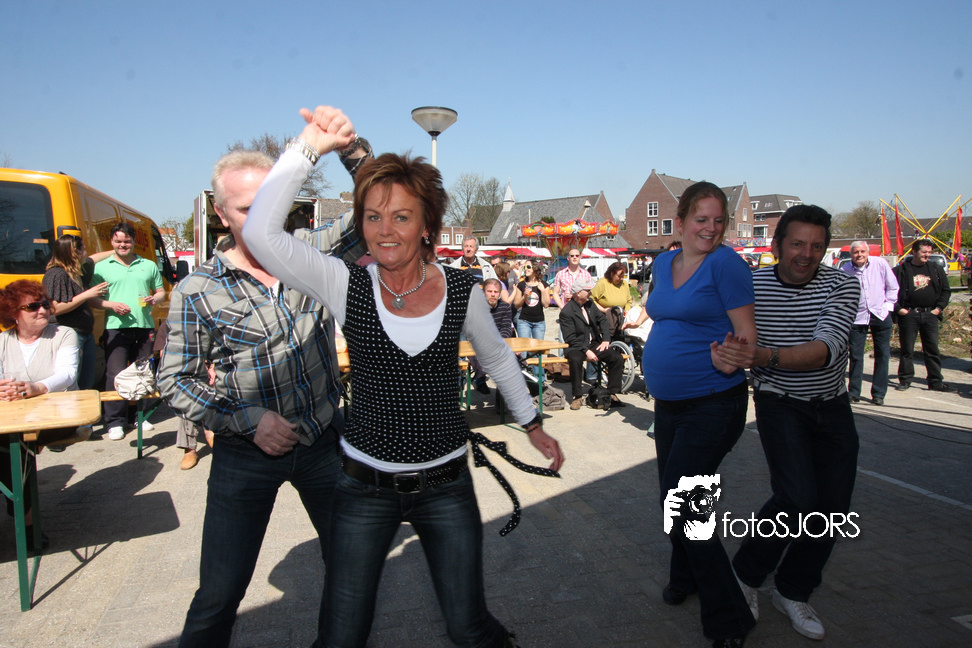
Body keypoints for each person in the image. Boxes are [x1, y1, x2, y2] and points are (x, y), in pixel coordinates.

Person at [242, 105, 564, 648]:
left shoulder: (462, 291)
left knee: (468, 627)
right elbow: (259, 232)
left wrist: (532, 424)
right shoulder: (345, 283)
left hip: (447, 486)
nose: (385, 231)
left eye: (401, 217)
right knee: (341, 637)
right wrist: (309, 146)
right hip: (363, 489)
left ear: (427, 225)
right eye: (372, 217)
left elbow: (497, 358)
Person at [157, 132, 373, 648]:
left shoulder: (311, 253)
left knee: (354, 570)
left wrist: (351, 151)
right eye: (245, 208)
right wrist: (248, 419)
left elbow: (379, 208)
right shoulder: (198, 290)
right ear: (220, 213)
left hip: (323, 442)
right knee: (219, 593)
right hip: (246, 456)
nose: (260, 218)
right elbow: (175, 379)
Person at [713, 204, 860, 642]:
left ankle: (793, 590)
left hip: (832, 406)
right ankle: (745, 574)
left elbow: (826, 348)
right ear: (777, 246)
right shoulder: (752, 286)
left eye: (816, 246)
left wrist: (764, 356)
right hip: (779, 402)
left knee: (832, 509)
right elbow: (721, 332)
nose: (806, 254)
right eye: (797, 244)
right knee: (797, 498)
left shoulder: (842, 284)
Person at [624, 182, 757, 648]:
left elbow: (747, 336)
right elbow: (664, 309)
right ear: (680, 223)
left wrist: (733, 357)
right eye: (702, 219)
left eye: (719, 220)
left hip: (714, 402)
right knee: (677, 497)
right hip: (669, 405)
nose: (711, 228)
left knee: (681, 504)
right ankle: (685, 576)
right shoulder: (664, 263)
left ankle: (730, 618)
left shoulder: (727, 265)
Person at [0, 280, 86, 548]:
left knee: (15, 446)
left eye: (45, 304)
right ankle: (21, 513)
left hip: (59, 416)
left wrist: (34, 388)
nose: (42, 310)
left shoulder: (63, 334)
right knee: (11, 444)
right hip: (15, 418)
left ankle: (25, 522)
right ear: (14, 313)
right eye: (32, 307)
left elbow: (67, 374)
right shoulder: (3, 341)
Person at [93, 221, 165, 441]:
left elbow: (161, 292)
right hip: (115, 327)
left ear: (133, 242)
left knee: (143, 373)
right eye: (118, 241)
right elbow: (93, 299)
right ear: (112, 242)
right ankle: (115, 421)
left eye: (126, 241)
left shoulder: (148, 265)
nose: (122, 245)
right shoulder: (101, 267)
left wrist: (154, 299)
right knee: (115, 374)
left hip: (144, 326)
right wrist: (111, 305)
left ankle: (139, 416)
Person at [42, 235, 109, 390]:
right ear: (74, 253)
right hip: (68, 334)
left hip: (85, 334)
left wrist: (116, 251)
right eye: (83, 249)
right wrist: (87, 294)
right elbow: (54, 309)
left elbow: (93, 259)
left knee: (86, 382)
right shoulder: (56, 274)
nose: (86, 252)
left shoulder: (78, 272)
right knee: (70, 383)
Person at [841, 241, 899, 405]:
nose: (859, 255)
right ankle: (854, 392)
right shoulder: (845, 270)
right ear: (851, 254)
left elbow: (893, 286)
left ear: (867, 252)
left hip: (880, 314)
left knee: (882, 354)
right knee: (856, 356)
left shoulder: (880, 264)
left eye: (862, 251)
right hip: (858, 317)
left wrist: (888, 306)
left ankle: (879, 394)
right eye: (855, 252)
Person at [893, 238, 951, 392]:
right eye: (924, 252)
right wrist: (899, 309)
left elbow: (946, 291)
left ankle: (935, 381)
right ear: (914, 252)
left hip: (930, 315)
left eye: (929, 252)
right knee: (907, 350)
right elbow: (889, 291)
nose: (927, 255)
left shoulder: (936, 269)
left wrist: (938, 309)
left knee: (932, 350)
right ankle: (905, 380)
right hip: (909, 315)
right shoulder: (901, 271)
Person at [559, 277, 626, 410]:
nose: (590, 293)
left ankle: (612, 394)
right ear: (578, 293)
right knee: (575, 360)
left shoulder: (590, 304)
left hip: (593, 343)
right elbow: (570, 338)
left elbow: (603, 320)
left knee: (617, 358)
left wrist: (606, 339)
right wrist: (586, 350)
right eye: (588, 291)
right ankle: (577, 396)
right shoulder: (566, 312)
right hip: (576, 346)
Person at [468, 278, 516, 393]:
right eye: (489, 291)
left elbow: (506, 328)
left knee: (516, 359)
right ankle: (480, 379)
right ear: (484, 292)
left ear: (500, 293)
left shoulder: (505, 307)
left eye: (496, 292)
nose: (493, 294)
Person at [590, 260, 633, 336]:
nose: (621, 279)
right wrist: (603, 310)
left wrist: (627, 310)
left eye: (623, 276)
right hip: (605, 317)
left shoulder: (624, 284)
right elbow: (591, 299)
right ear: (612, 273)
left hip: (620, 316)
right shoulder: (602, 283)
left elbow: (629, 301)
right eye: (619, 276)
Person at [512, 260, 550, 340]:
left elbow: (546, 305)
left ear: (535, 268)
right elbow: (516, 304)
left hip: (539, 322)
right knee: (524, 346)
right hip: (524, 321)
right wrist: (524, 297)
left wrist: (543, 291)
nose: (526, 269)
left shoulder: (544, 285)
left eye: (528, 267)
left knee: (539, 347)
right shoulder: (521, 285)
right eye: (524, 267)